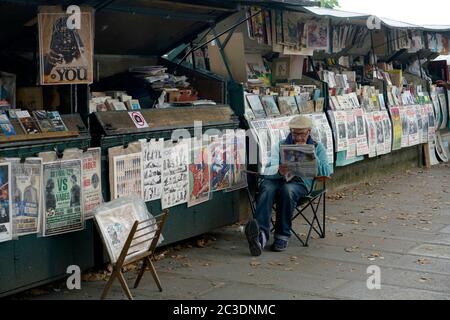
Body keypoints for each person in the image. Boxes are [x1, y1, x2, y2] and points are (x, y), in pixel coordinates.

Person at [245, 116, 331, 256]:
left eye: (301, 133)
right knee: (266, 189)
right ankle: (260, 236)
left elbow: (326, 172)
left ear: (309, 131)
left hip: (299, 184)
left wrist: (312, 156)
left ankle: (282, 236)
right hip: (277, 179)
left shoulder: (317, 147)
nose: (298, 137)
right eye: (294, 133)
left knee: (287, 190)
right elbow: (268, 170)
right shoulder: (280, 145)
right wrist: (278, 170)